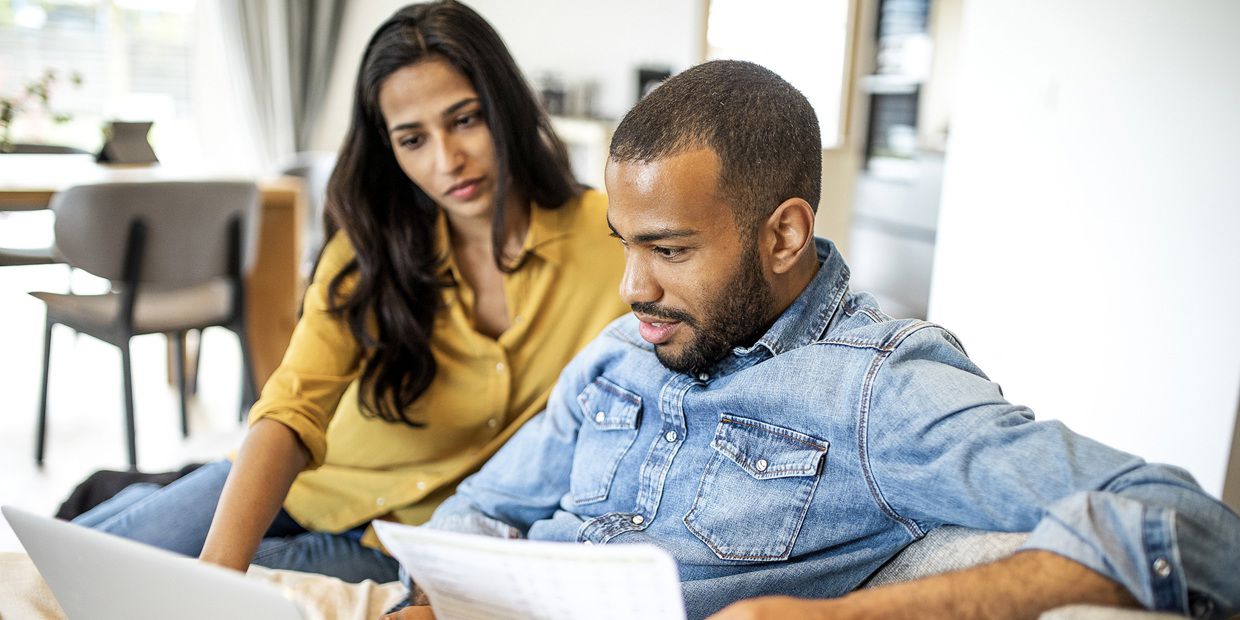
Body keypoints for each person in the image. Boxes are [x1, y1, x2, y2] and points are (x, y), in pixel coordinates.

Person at [386, 60, 1240, 619]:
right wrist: (433, 592)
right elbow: (483, 507)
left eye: (671, 250)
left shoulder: (878, 390)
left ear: (784, 236)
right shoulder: (620, 354)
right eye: (627, 244)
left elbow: (1195, 528)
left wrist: (832, 619)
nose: (631, 288)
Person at [69, 0, 628, 584]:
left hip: (401, 541)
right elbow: (292, 406)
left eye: (466, 120)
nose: (448, 160)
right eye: (413, 140)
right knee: (72, 570)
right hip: (296, 485)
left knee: (144, 590)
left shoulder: (611, 238)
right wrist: (216, 574)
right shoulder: (370, 248)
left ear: (506, 108)